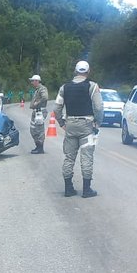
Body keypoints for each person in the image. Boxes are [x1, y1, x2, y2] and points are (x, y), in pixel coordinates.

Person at [53, 61, 104, 198]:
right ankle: (87, 190)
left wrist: (61, 122)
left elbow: (56, 108)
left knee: (69, 157)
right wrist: (98, 122)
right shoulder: (92, 86)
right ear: (88, 72)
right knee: (86, 157)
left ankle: (68, 188)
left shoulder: (64, 87)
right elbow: (99, 107)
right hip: (87, 126)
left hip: (70, 125)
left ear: (75, 71)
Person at [28, 74, 49, 154]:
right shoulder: (37, 89)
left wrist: (37, 103)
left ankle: (40, 148)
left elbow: (45, 97)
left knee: (39, 130)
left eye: (33, 81)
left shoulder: (42, 89)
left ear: (37, 81)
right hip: (36, 111)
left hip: (40, 111)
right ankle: (38, 146)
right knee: (33, 129)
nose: (32, 82)